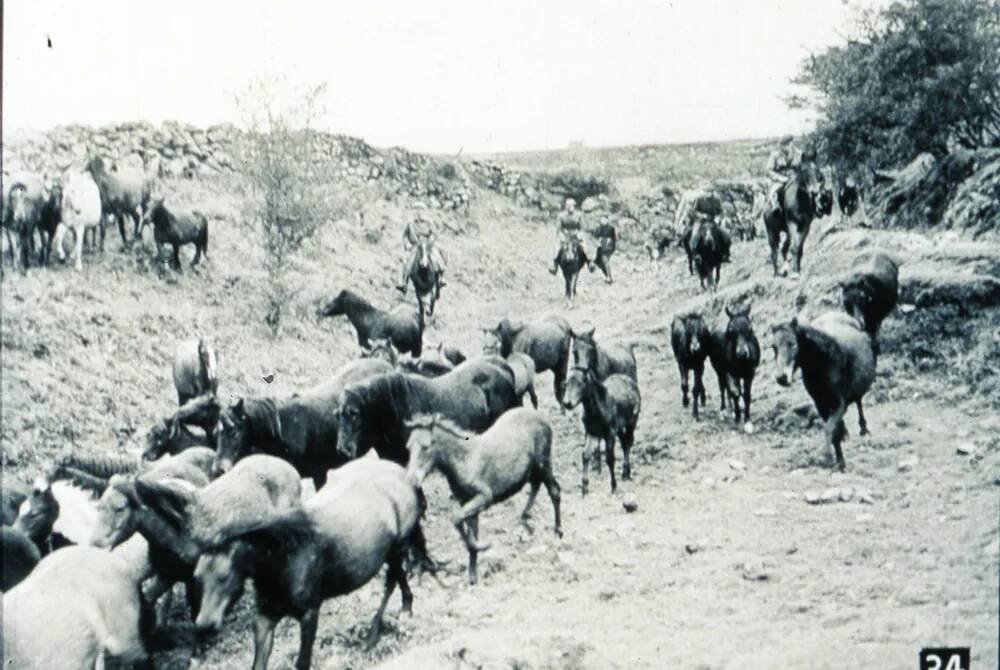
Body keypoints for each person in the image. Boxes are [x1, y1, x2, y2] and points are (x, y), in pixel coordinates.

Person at [396, 213, 447, 294]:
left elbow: (434, 234)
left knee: (438, 256)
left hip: (428, 245)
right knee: (405, 261)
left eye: (421, 211)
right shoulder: (410, 224)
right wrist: (407, 244)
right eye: (416, 211)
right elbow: (405, 236)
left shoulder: (429, 223)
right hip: (415, 245)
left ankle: (441, 278)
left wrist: (431, 240)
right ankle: (403, 282)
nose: (419, 214)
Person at [765, 135, 802, 218]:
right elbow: (769, 170)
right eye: (785, 145)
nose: (789, 146)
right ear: (781, 146)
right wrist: (780, 178)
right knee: (774, 191)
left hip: (795, 178)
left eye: (790, 144)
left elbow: (803, 167)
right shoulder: (775, 155)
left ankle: (816, 207)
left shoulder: (799, 154)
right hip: (780, 179)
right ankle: (775, 207)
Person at [548, 198, 586, 275]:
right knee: (557, 246)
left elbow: (582, 227)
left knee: (584, 246)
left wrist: (579, 234)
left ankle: (590, 262)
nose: (570, 208)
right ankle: (554, 264)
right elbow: (558, 229)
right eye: (568, 206)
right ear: (566, 207)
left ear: (574, 206)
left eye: (572, 206)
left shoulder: (579, 215)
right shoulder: (561, 216)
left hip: (576, 235)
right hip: (565, 235)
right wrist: (561, 236)